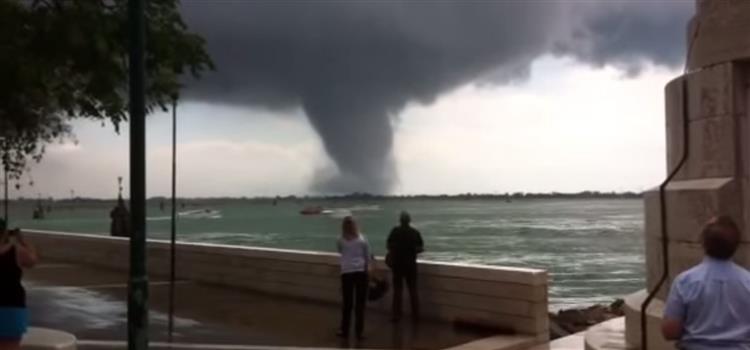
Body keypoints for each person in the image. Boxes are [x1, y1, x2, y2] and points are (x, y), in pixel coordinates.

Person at [662, 216, 750, 349]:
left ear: (703, 243)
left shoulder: (685, 281)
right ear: (736, 245)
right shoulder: (747, 281)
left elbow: (670, 331)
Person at [0, 220, 38, 350]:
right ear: (5, 233)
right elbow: (32, 261)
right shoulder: (15, 251)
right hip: (12, 306)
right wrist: (22, 240)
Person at [336, 216, 371, 340]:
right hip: (361, 272)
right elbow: (367, 257)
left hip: (347, 272)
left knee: (347, 304)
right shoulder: (362, 239)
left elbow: (340, 252)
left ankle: (344, 330)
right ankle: (359, 332)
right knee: (360, 305)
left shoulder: (340, 239)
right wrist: (367, 271)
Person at [386, 211, 424, 322]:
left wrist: (396, 250)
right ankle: (416, 316)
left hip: (397, 265)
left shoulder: (395, 231)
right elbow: (420, 248)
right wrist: (412, 250)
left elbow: (388, 245)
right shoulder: (415, 232)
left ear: (400, 220)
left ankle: (396, 315)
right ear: (409, 220)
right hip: (411, 265)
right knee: (413, 291)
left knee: (398, 291)